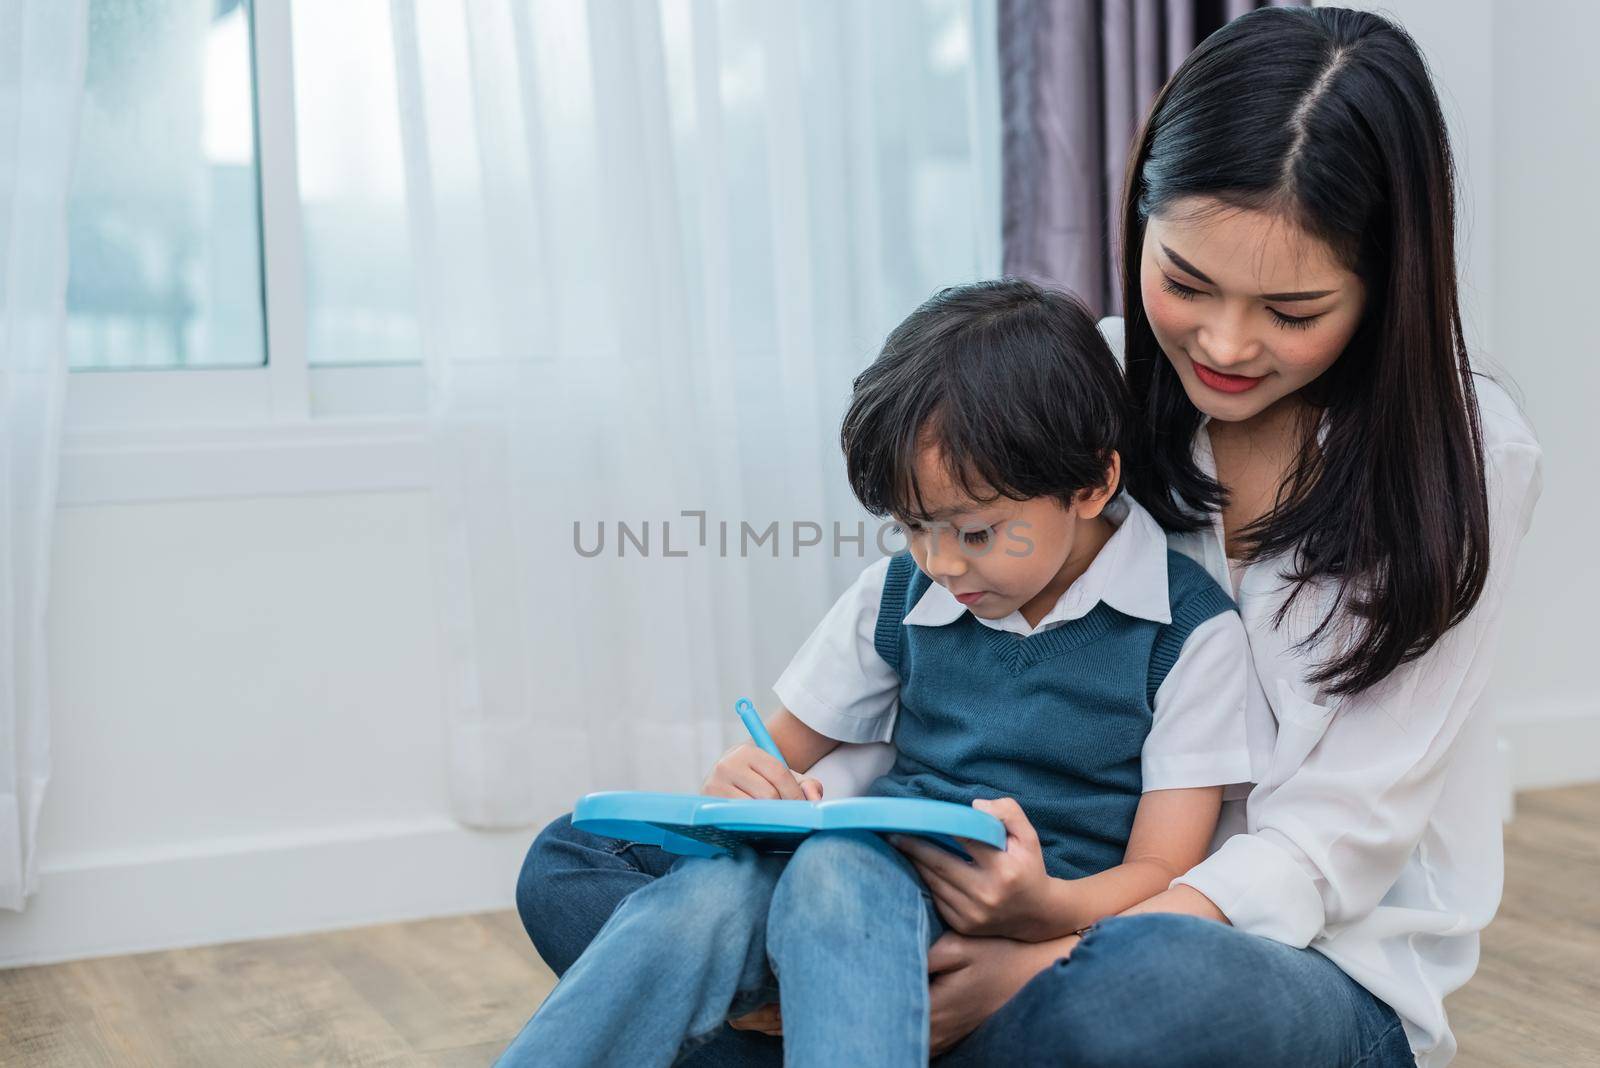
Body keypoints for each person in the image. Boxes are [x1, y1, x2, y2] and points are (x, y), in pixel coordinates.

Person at [511, 7, 1544, 1067]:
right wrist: (829, 833)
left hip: (1273, 960)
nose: (1225, 344)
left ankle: (881, 1022)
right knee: (575, 865)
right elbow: (939, 670)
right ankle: (882, 1013)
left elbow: (1331, 847)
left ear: (1385, 287)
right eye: (1184, 282)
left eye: (1290, 310)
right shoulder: (1087, 384)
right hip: (975, 903)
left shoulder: (1463, 462)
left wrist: (1044, 951)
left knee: (1126, 1004)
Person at [494, 279, 1259, 1067]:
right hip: (862, 876)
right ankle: (834, 1018)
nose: (940, 561)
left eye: (975, 530)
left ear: (1092, 484)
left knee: (822, 881)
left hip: (1013, 937)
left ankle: (792, 1026)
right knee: (658, 887)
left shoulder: (1188, 632)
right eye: (913, 528)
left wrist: (1047, 909)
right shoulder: (903, 593)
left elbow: (1165, 872)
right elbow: (777, 754)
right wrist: (744, 781)